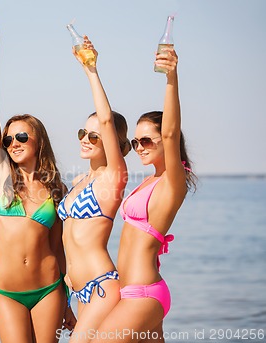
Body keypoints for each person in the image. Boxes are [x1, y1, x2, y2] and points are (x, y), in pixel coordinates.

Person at [0, 26, 76, 343]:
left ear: (38, 140)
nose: (14, 142)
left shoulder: (56, 188)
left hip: (49, 289)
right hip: (8, 292)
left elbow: (59, 247)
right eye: (9, 139)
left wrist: (68, 301)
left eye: (22, 136)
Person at [94, 48, 197, 342]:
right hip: (130, 293)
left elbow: (171, 133)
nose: (139, 146)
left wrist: (171, 78)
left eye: (146, 140)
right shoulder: (149, 181)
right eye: (136, 141)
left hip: (143, 294)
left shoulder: (172, 183)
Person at [58, 37, 130, 342]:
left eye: (96, 135)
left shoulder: (113, 177)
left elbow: (105, 118)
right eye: (82, 133)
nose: (86, 139)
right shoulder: (77, 183)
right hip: (76, 291)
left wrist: (91, 71)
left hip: (101, 285)